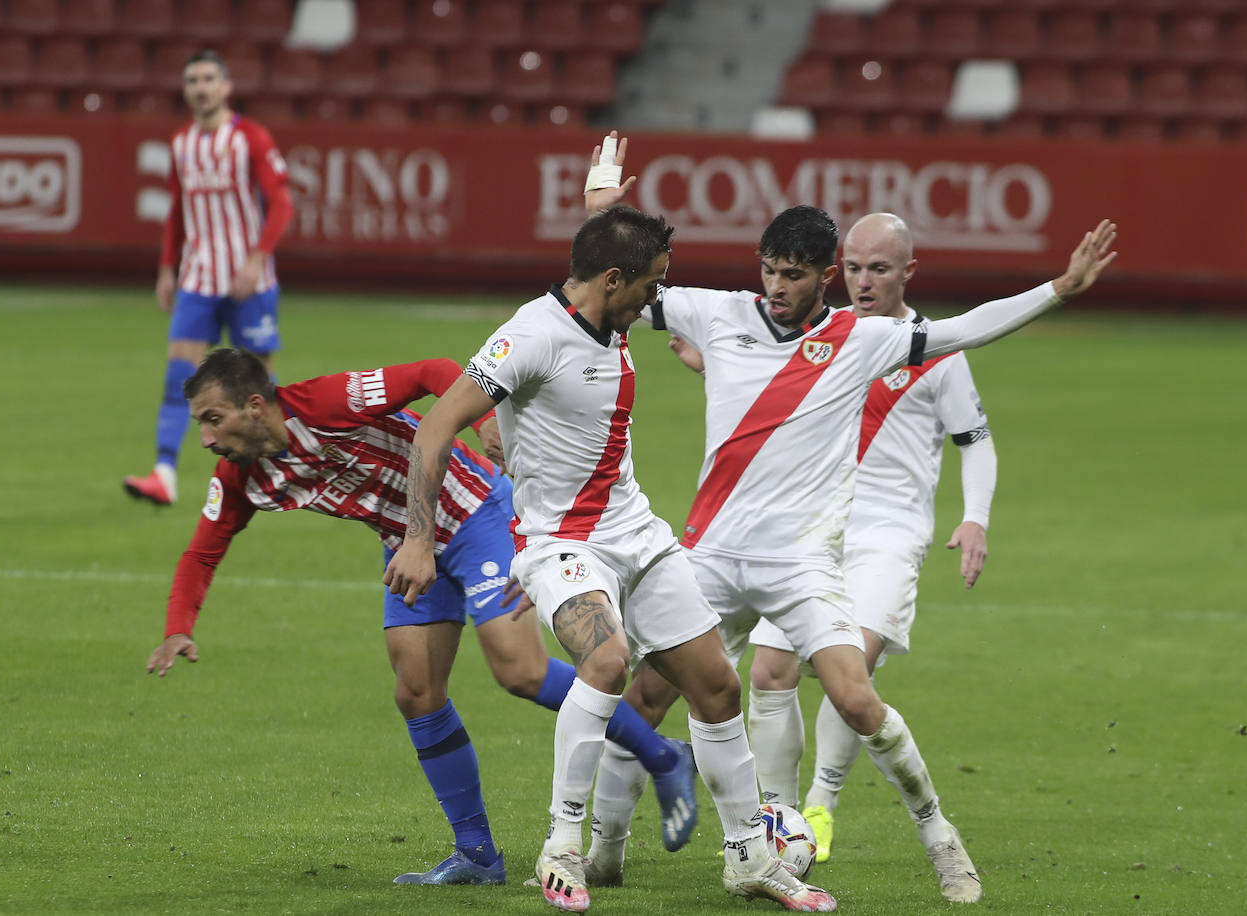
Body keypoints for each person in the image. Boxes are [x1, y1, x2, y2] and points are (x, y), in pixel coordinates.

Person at [579, 132, 1116, 904]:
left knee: (857, 699)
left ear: (824, 276)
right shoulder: (714, 312)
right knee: (646, 698)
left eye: (791, 275)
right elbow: (615, 286)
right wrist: (604, 209)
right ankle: (605, 849)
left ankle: (941, 839)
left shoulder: (865, 340)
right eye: (767, 270)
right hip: (711, 553)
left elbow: (966, 329)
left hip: (800, 563)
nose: (774, 287)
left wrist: (1057, 289)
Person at [384, 207, 838, 913]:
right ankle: (563, 845)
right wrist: (418, 537)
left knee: (717, 686)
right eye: (651, 284)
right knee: (605, 661)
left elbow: (602, 256)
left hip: (638, 534)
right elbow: (435, 428)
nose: (657, 300)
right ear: (614, 279)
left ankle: (750, 856)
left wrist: (603, 207)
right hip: (563, 542)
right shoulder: (531, 335)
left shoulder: (610, 311)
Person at [144, 347, 699, 887]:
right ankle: (478, 855)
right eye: (200, 424)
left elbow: (432, 371)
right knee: (416, 691)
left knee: (519, 671)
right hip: (410, 545)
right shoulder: (242, 478)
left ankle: (662, 756)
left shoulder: (327, 404)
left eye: (214, 420)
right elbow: (201, 553)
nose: (208, 438)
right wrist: (177, 627)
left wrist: (483, 421)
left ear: (256, 406)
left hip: (478, 511)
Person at [742, 212, 997, 867]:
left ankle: (822, 802)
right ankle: (781, 820)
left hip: (889, 535)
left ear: (907, 272)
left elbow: (975, 441)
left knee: (845, 674)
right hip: (813, 531)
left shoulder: (933, 347)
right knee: (769, 671)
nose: (862, 281)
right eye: (852, 267)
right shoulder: (821, 338)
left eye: (878, 269)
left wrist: (975, 517)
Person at [124, 49, 293, 507]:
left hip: (248, 283)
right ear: (186, 90)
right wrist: (166, 268)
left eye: (208, 79)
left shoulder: (251, 138)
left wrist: (257, 260)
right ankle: (164, 474)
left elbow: (281, 204)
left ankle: (280, 469)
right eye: (193, 80)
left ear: (225, 87)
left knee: (259, 383)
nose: (200, 87)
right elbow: (178, 210)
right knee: (179, 374)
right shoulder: (181, 143)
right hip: (198, 278)